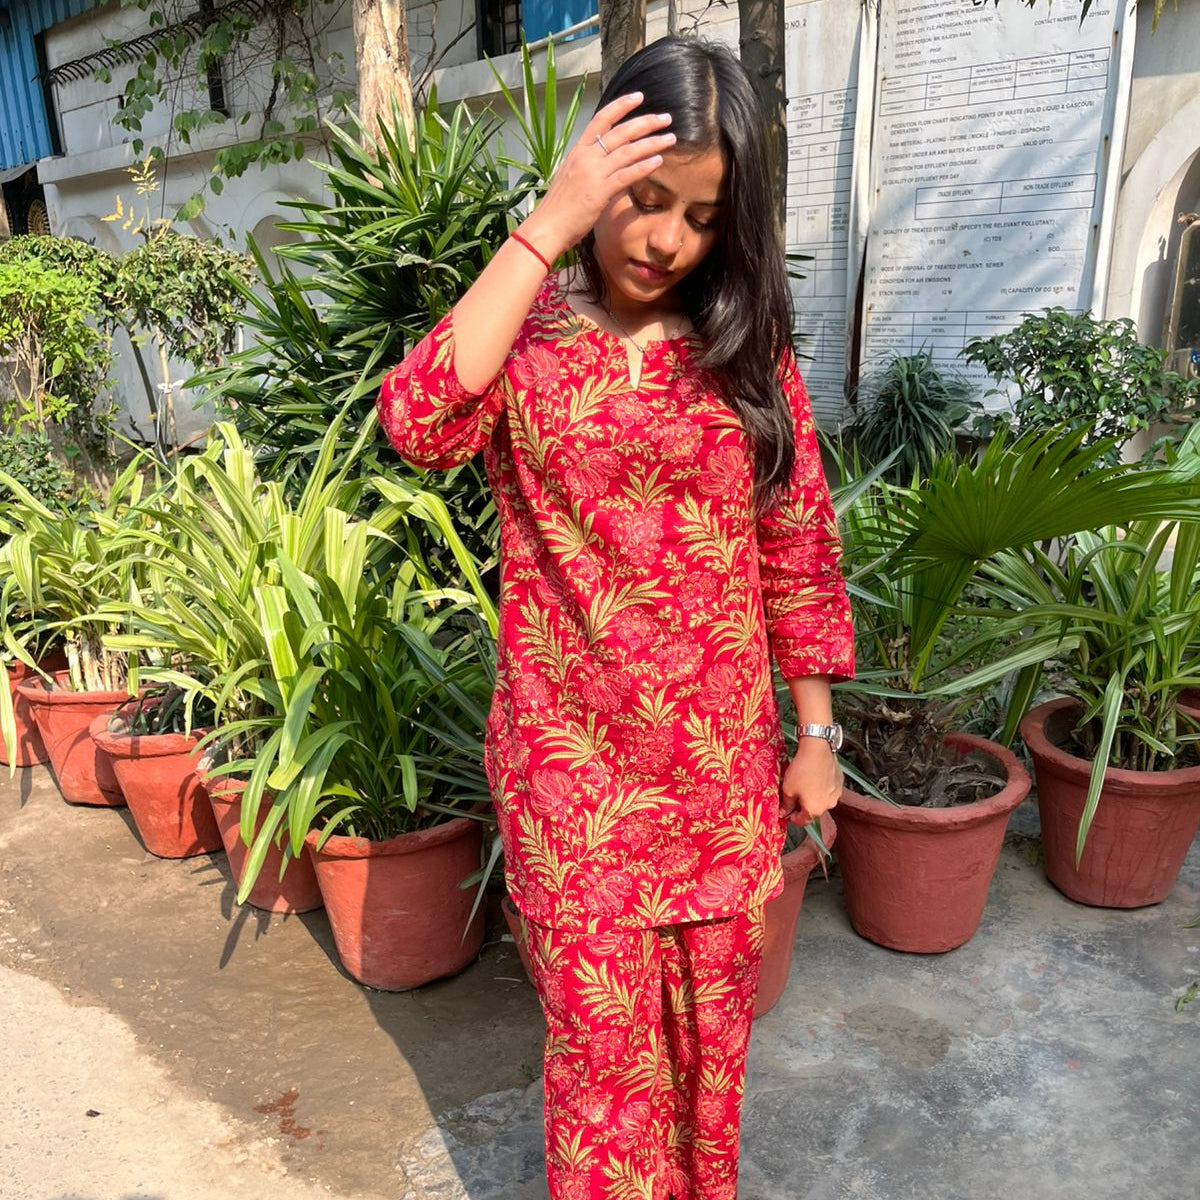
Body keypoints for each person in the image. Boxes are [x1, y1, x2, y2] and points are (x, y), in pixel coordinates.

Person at [377, 34, 854, 1200]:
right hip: (573, 784)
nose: (666, 240)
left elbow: (795, 542)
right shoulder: (527, 338)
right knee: (604, 1087)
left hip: (719, 783)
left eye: (701, 218)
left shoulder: (745, 351)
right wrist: (550, 223)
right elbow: (419, 423)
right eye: (643, 200)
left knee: (708, 1074)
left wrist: (816, 734)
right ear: (596, 173)